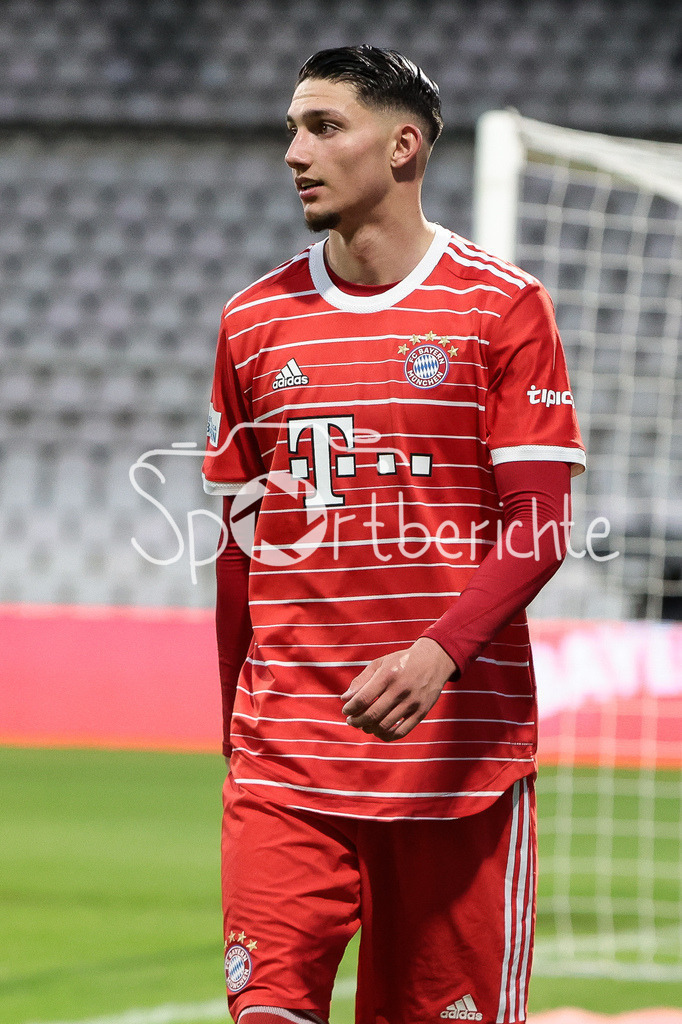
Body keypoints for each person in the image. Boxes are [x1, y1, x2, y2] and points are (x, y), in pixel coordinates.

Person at [202, 45, 585, 1024]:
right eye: (291, 127)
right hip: (286, 753)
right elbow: (241, 544)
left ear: (403, 145)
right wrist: (232, 721)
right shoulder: (252, 323)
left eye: (324, 127)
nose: (295, 150)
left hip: (452, 763)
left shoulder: (501, 307)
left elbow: (540, 522)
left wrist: (437, 654)